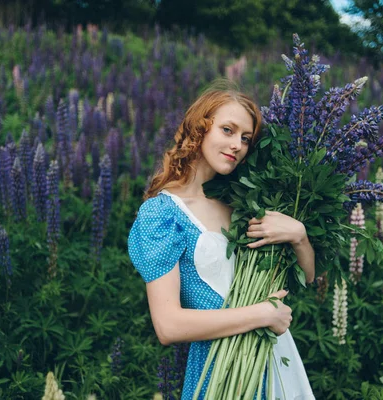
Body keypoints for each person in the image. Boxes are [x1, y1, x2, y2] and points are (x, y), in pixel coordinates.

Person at [127, 84, 315, 400]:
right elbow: (168, 326)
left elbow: (307, 278)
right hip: (220, 369)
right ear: (200, 128)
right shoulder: (162, 213)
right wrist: (265, 315)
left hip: (275, 358)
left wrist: (300, 236)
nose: (237, 145)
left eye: (245, 139)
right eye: (228, 130)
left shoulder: (241, 203)